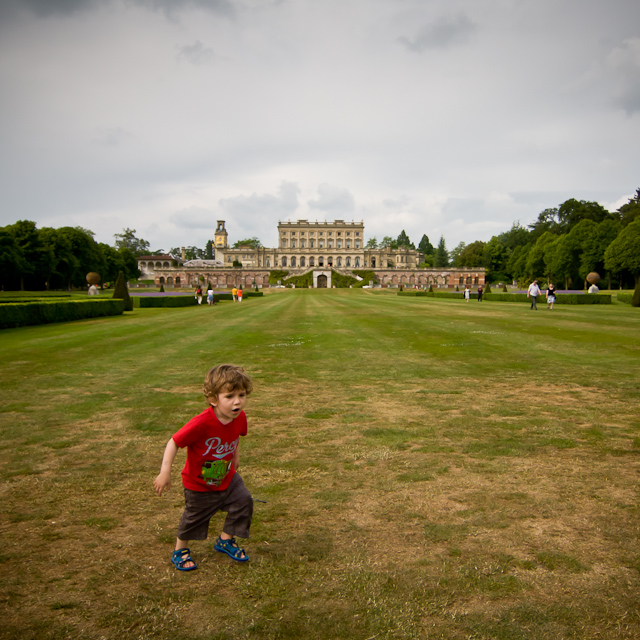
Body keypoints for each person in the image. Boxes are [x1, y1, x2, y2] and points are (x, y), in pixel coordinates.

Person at [153, 364, 254, 571]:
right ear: (213, 399)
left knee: (243, 501)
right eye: (230, 396)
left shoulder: (239, 417)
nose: (237, 401)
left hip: (226, 476)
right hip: (198, 482)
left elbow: (235, 438)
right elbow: (174, 442)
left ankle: (225, 540)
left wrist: (235, 457)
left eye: (242, 395)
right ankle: (180, 550)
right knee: (195, 516)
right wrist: (165, 472)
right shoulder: (201, 423)